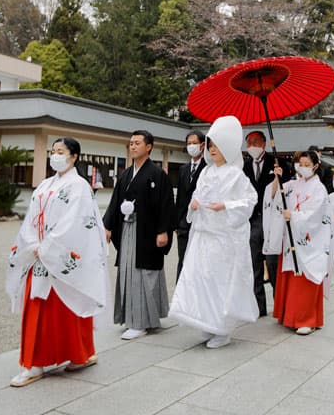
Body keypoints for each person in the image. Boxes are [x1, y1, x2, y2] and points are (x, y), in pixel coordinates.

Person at [6, 137, 108, 387]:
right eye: (53, 151)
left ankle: (78, 355)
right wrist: (32, 244)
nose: (55, 156)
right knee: (38, 308)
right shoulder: (44, 185)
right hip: (39, 253)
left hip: (59, 254)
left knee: (69, 307)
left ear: (73, 157)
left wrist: (49, 247)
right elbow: (31, 217)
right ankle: (34, 362)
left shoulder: (79, 186)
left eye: (60, 152)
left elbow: (76, 222)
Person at [169, 116, 259, 348]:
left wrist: (226, 206)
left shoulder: (236, 174)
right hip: (203, 236)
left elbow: (250, 200)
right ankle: (208, 323)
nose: (212, 150)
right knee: (203, 278)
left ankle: (223, 329)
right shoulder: (206, 172)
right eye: (210, 146)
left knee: (221, 281)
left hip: (224, 239)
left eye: (216, 146)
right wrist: (194, 205)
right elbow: (196, 196)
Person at [103, 130, 175, 340]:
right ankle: (135, 318)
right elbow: (115, 201)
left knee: (145, 273)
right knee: (129, 271)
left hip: (148, 231)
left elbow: (166, 204)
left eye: (137, 143)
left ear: (149, 147)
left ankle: (141, 322)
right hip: (128, 229)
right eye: (131, 143)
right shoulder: (126, 174)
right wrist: (108, 226)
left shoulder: (157, 173)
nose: (132, 146)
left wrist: (163, 231)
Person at [264, 150, 334, 335]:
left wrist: (293, 216)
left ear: (315, 166)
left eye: (306, 164)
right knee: (290, 276)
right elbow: (273, 196)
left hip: (309, 242)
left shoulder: (319, 189)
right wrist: (277, 179)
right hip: (291, 238)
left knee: (305, 276)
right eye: (299, 164)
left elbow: (316, 216)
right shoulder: (293, 184)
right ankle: (288, 314)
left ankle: (307, 319)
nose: (301, 167)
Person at [242, 130, 283, 316]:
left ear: (264, 144)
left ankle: (280, 304)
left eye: (256, 142)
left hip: (272, 219)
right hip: (253, 219)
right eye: (249, 143)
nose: (252, 146)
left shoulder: (276, 162)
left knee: (273, 264)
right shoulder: (244, 166)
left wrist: (278, 176)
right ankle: (259, 306)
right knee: (255, 264)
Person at [175, 130, 207, 281]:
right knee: (182, 261)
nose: (191, 146)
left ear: (202, 145)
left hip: (201, 223)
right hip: (183, 224)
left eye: (194, 143)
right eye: (188, 144)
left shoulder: (209, 168)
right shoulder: (183, 169)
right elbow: (180, 198)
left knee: (198, 262)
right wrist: (177, 223)